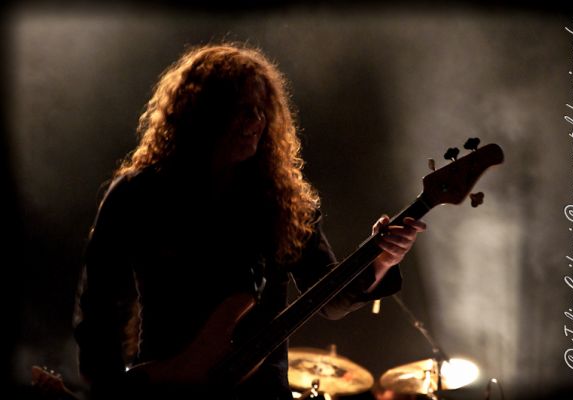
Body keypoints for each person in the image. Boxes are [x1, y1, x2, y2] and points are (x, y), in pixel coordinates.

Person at [73, 42, 426, 400]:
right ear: (203, 113)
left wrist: (380, 261)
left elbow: (331, 302)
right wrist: (112, 391)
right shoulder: (138, 193)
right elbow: (98, 312)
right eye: (242, 110)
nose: (256, 122)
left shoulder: (282, 202)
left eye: (261, 111)